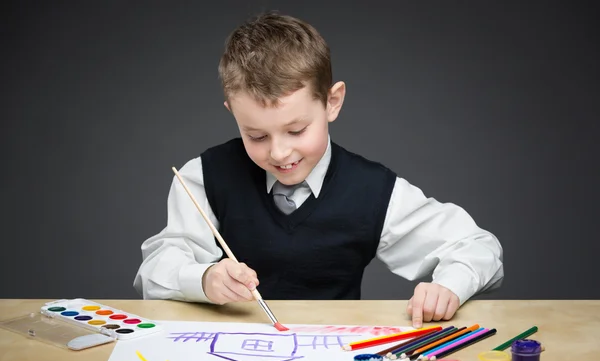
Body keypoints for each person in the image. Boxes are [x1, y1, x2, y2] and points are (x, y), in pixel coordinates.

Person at [133, 12, 503, 328]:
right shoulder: (201, 177)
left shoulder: (373, 190)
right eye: (256, 135)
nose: (279, 152)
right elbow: (154, 272)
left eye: (296, 130)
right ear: (232, 113)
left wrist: (448, 287)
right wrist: (204, 278)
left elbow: (478, 247)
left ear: (332, 102)